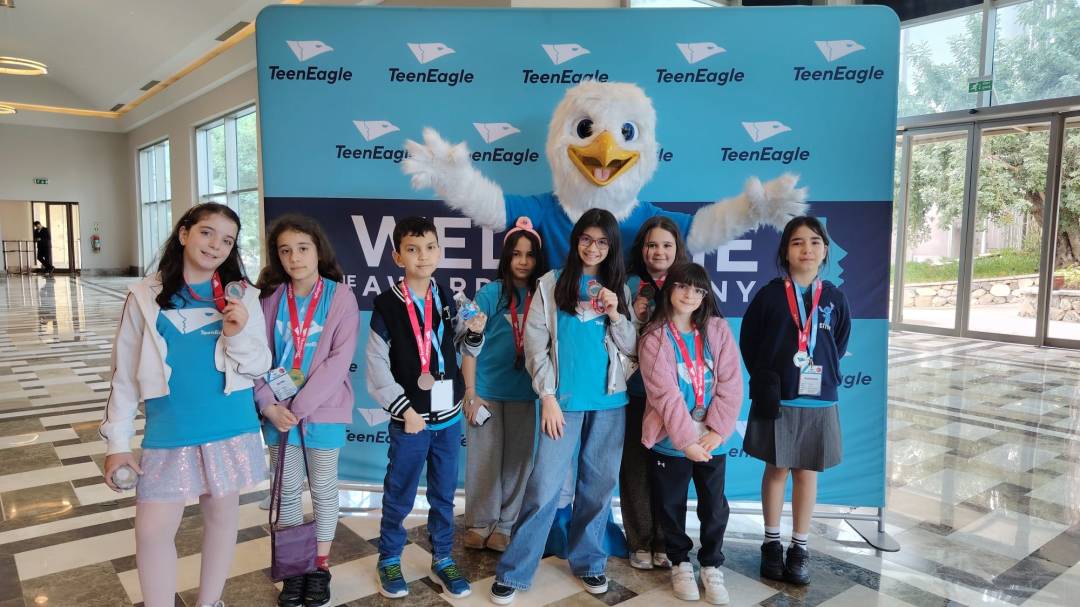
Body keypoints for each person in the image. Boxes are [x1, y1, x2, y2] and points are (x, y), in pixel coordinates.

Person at [100, 203, 270, 607]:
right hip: (170, 430)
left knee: (222, 521)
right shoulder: (145, 296)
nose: (215, 246)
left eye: (227, 240)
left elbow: (260, 364)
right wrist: (117, 445)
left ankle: (209, 603)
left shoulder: (243, 295)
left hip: (229, 426)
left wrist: (237, 334)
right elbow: (123, 378)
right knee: (152, 532)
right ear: (184, 234)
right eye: (207, 233)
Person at [490, 208, 637, 605]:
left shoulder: (619, 288)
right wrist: (548, 397)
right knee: (544, 488)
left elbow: (632, 347)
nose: (593, 248)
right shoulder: (550, 283)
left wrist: (616, 313)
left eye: (602, 242)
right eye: (586, 239)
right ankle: (515, 571)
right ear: (576, 241)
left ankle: (589, 562)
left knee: (598, 487)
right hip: (562, 405)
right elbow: (535, 345)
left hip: (609, 403)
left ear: (612, 247)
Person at [365, 216, 487, 599]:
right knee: (400, 492)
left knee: (444, 493)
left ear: (439, 251)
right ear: (397, 256)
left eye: (430, 247)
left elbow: (463, 347)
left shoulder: (448, 297)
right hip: (411, 420)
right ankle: (389, 558)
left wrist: (476, 332)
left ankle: (443, 557)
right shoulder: (386, 306)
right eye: (412, 249)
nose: (423, 256)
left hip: (447, 419)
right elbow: (376, 366)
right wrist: (404, 410)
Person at [253, 215, 359, 607]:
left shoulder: (340, 296)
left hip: (323, 410)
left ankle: (319, 566)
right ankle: (295, 567)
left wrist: (297, 407)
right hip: (278, 414)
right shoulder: (270, 297)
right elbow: (255, 356)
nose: (294, 258)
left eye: (302, 248)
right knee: (286, 492)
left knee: (324, 488)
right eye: (285, 251)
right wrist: (267, 404)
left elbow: (338, 361)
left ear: (318, 251)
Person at [740, 216, 851, 586]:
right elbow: (750, 343)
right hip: (779, 398)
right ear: (785, 252)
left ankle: (799, 547)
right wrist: (768, 379)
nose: (807, 249)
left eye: (815, 242)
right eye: (798, 242)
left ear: (825, 251)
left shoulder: (834, 297)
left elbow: (839, 342)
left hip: (819, 399)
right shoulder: (769, 296)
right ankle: (771, 543)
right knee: (776, 469)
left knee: (807, 472)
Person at [639, 262, 742, 604]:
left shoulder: (717, 330)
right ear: (669, 288)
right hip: (672, 442)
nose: (690, 295)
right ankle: (680, 562)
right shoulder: (654, 337)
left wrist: (718, 430)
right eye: (683, 287)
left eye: (698, 290)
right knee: (670, 506)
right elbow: (664, 395)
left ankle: (711, 565)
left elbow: (731, 384)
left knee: (714, 507)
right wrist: (686, 441)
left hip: (712, 440)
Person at [461, 217, 548, 552]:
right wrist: (471, 393)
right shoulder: (490, 293)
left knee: (518, 462)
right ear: (506, 257)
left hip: (526, 394)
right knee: (483, 460)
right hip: (486, 392)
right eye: (516, 254)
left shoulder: (544, 295)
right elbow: (466, 342)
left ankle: (506, 524)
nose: (523, 261)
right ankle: (480, 522)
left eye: (529, 254)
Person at [621, 215, 690, 570]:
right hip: (636, 392)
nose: (659, 252)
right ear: (642, 249)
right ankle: (640, 541)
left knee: (671, 470)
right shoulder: (629, 285)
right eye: (652, 245)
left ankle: (666, 540)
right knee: (635, 468)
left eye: (666, 245)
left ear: (677, 249)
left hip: (678, 397)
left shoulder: (689, 286)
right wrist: (634, 317)